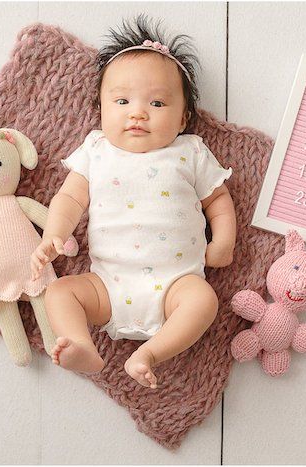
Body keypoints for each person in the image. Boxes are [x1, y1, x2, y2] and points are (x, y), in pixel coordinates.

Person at [30, 15, 236, 389]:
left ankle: (150, 354)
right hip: (107, 284)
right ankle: (80, 344)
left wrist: (223, 242)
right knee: (59, 291)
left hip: (175, 285)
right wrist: (54, 234)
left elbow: (218, 199)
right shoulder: (96, 150)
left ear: (183, 118)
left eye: (157, 102)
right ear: (101, 109)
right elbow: (70, 196)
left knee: (204, 301)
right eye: (122, 100)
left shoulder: (189, 152)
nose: (138, 112)